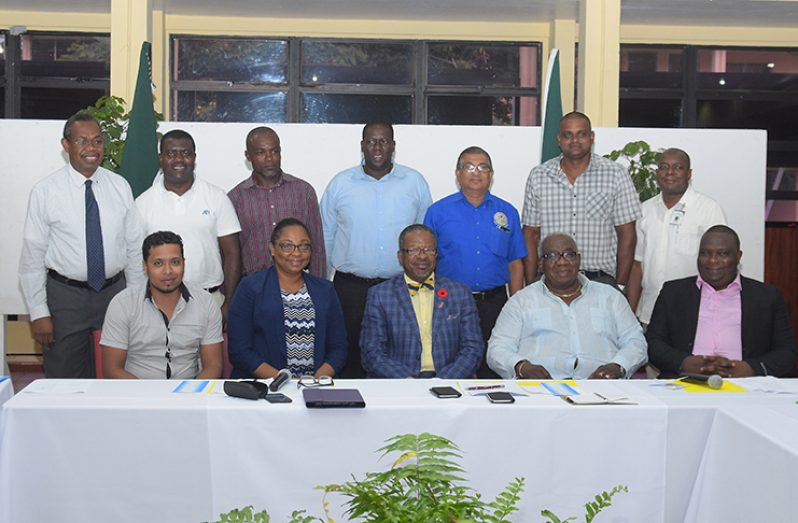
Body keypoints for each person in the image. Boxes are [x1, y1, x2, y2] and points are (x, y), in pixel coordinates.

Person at [18, 112, 143, 378]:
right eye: (82, 141)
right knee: (65, 378)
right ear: (66, 145)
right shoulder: (45, 192)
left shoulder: (119, 186)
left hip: (115, 295)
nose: (91, 148)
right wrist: (39, 312)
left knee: (120, 374)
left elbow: (134, 249)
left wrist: (136, 301)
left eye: (97, 141)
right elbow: (32, 258)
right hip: (66, 297)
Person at [320, 122, 432, 378]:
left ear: (393, 145)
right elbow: (326, 235)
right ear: (362, 146)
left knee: (400, 352)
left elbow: (426, 234)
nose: (377, 147)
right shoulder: (340, 183)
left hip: (401, 287)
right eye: (371, 141)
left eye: (384, 141)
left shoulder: (414, 182)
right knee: (348, 354)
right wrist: (323, 284)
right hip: (350, 289)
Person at [424, 146, 526, 378]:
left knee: (493, 365)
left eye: (483, 167)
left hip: (495, 301)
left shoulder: (507, 212)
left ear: (491, 174)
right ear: (458, 173)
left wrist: (516, 304)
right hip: (449, 302)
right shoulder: (437, 212)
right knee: (449, 364)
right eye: (469, 166)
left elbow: (515, 261)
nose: (476, 172)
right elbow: (425, 261)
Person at [487, 233, 647, 380]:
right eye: (552, 256)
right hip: (541, 392)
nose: (562, 262)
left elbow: (636, 341)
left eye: (569, 255)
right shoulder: (521, 301)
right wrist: (521, 366)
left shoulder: (611, 297)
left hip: (603, 389)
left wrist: (619, 365)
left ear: (579, 260)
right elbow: (498, 348)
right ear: (541, 263)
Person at [646, 225, 796, 378]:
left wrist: (751, 368)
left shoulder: (767, 296)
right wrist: (684, 363)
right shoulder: (673, 292)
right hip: (684, 383)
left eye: (723, 254)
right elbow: (653, 343)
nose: (712, 260)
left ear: (738, 256)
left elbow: (786, 352)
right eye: (705, 253)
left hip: (746, 387)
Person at [521, 112, 641, 288]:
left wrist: (620, 285)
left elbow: (627, 235)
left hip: (599, 281)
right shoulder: (539, 176)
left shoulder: (615, 174)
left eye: (581, 134)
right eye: (568, 135)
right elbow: (530, 235)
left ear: (591, 137)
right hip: (551, 280)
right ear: (559, 139)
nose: (575, 140)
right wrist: (532, 283)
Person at [135, 129, 242, 327]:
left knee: (210, 359)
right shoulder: (142, 204)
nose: (179, 159)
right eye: (171, 153)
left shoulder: (216, 197)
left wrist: (229, 302)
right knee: (161, 358)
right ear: (160, 158)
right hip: (159, 303)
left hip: (210, 300)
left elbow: (233, 252)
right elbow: (135, 259)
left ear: (194, 158)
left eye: (185, 153)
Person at [227, 218, 347, 379]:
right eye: (287, 245)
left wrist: (317, 380)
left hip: (315, 387)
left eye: (304, 246)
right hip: (266, 387)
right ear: (272, 249)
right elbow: (239, 350)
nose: (296, 253)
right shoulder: (250, 288)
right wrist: (283, 381)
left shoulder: (325, 290)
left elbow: (339, 348)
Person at [360, 225, 482, 379]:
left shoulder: (460, 293)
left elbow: (473, 348)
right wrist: (409, 382)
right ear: (400, 256)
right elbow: (372, 352)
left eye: (429, 250)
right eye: (413, 250)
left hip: (450, 383)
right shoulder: (380, 295)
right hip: (399, 384)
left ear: (436, 255)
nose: (422, 256)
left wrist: (442, 382)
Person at [100, 231, 224, 379]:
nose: (168, 271)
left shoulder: (205, 302)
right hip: (137, 394)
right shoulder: (123, 304)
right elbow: (111, 369)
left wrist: (190, 396)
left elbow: (214, 366)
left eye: (175, 262)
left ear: (184, 263)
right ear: (145, 266)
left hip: (188, 394)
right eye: (158, 263)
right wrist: (150, 399)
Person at [626, 148, 726, 325]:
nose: (670, 172)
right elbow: (637, 265)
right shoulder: (644, 210)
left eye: (678, 167)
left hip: (694, 314)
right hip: (649, 314)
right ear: (657, 173)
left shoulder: (708, 209)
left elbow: (721, 264)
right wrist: (628, 317)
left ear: (689, 174)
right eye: (664, 167)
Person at [228, 126, 326, 278]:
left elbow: (317, 247)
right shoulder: (235, 198)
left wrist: (319, 289)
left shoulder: (304, 192)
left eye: (274, 151)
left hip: (298, 283)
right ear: (248, 156)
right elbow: (230, 254)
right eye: (261, 152)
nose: (269, 158)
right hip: (253, 286)